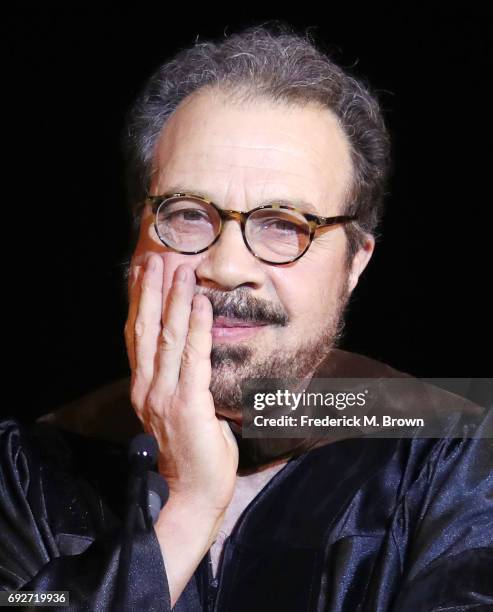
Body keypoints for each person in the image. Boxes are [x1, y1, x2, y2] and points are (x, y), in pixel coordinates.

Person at [1, 23, 492, 611]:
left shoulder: (451, 457)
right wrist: (188, 510)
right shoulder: (32, 466)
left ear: (355, 263)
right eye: (187, 215)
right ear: (137, 236)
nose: (228, 265)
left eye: (286, 225)